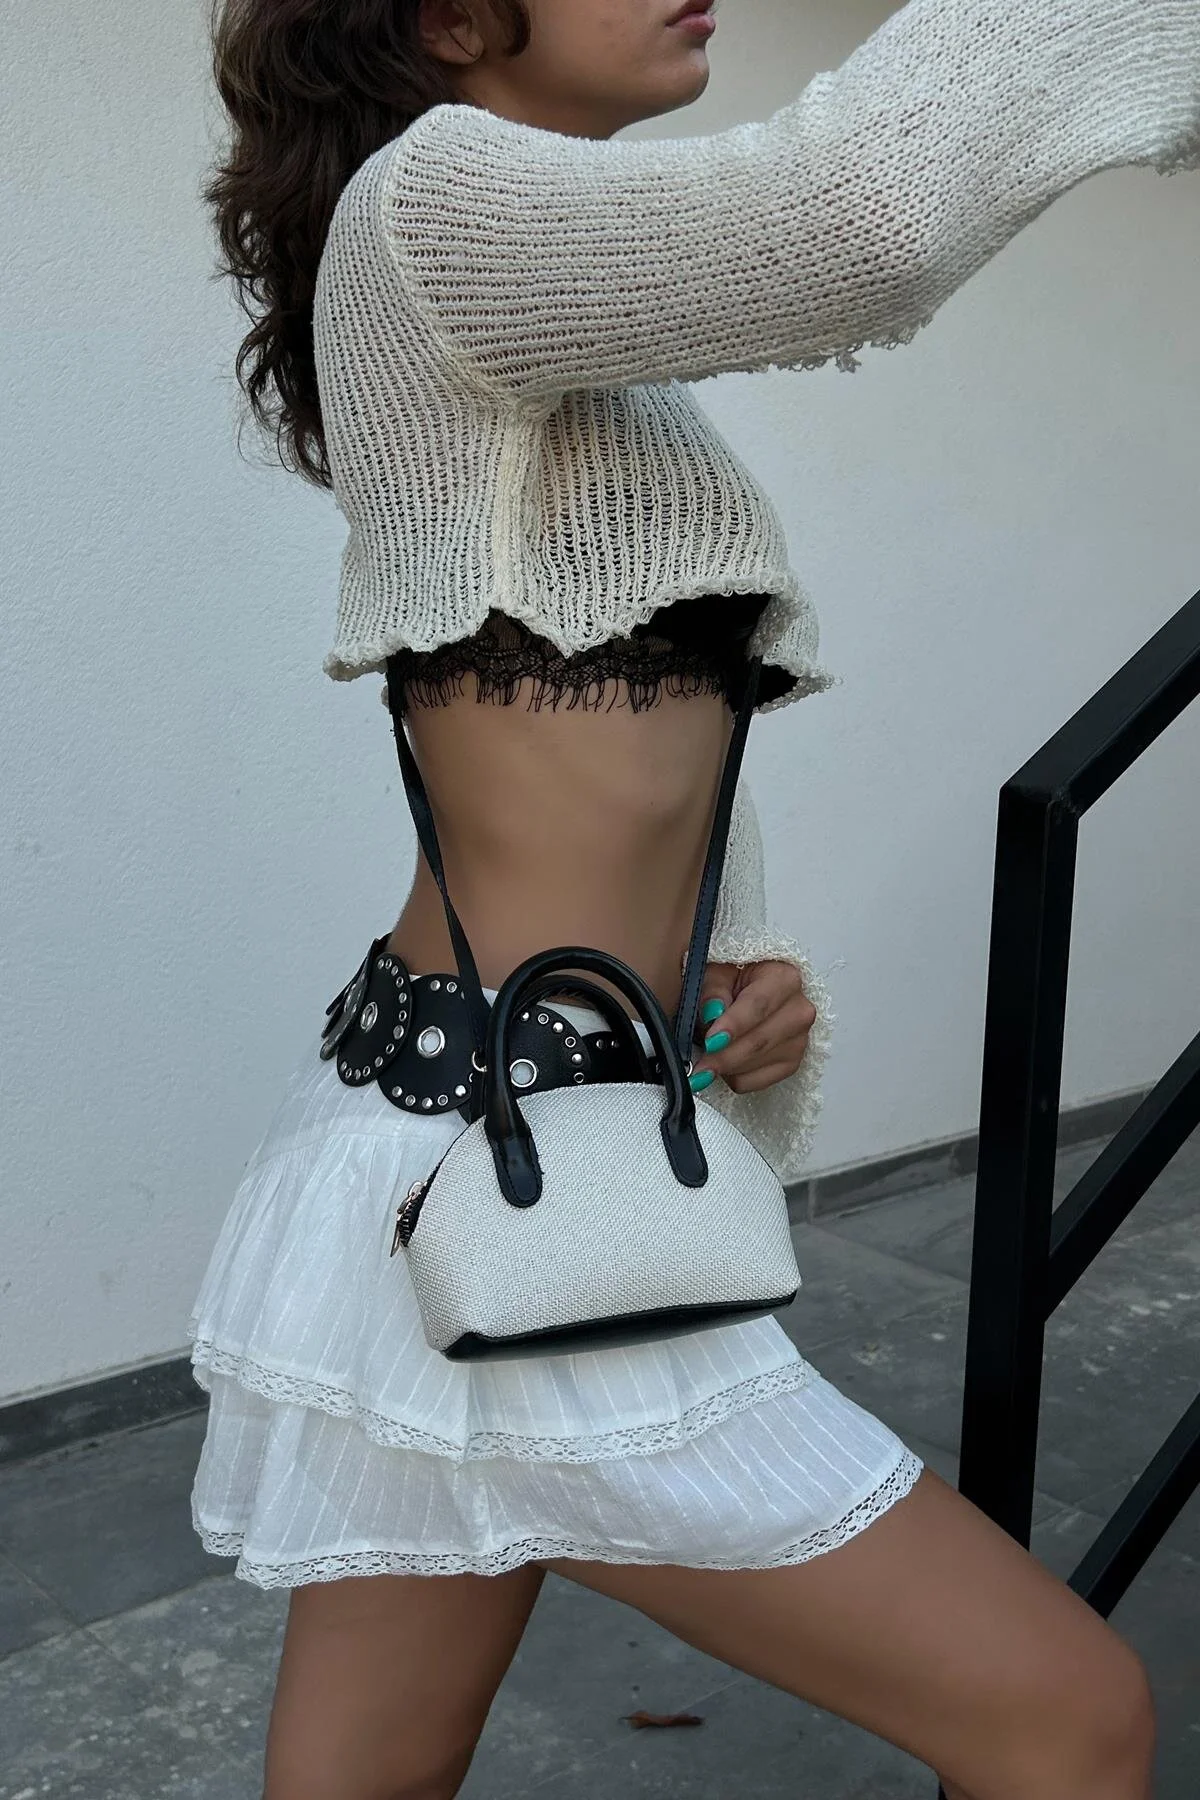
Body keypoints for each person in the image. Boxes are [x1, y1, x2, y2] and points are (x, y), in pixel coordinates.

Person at [188, 2, 1198, 1796]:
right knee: (1072, 1714)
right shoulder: (436, 211)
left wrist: (732, 973)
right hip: (489, 1161)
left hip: (482, 1145)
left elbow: (642, 730)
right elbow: (855, 220)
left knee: (363, 1781)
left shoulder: (565, 315)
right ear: (449, 16)